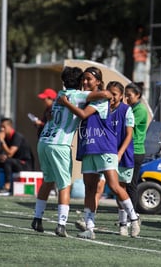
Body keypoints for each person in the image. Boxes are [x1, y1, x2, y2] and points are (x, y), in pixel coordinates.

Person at [60, 66, 140, 240]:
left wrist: (65, 102)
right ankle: (90, 227)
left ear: (98, 81)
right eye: (84, 79)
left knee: (114, 185)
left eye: (89, 79)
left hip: (105, 147)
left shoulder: (100, 99)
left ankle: (133, 218)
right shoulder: (85, 98)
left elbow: (82, 114)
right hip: (88, 148)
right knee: (90, 189)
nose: (86, 82)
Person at [31, 66, 111, 237]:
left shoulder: (60, 94)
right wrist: (106, 91)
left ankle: (37, 218)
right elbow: (105, 95)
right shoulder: (77, 95)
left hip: (44, 141)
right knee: (64, 185)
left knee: (48, 180)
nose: (86, 82)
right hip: (60, 144)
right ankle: (61, 224)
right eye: (84, 79)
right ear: (80, 81)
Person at [107, 81, 135, 236]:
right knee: (114, 188)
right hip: (106, 154)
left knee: (121, 189)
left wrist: (120, 153)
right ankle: (124, 222)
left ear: (122, 96)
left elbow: (129, 134)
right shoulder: (103, 109)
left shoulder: (126, 110)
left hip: (123, 155)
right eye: (109, 93)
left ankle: (126, 222)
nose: (111, 97)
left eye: (114, 94)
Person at [0, 118, 34, 196]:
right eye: (1, 127)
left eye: (4, 127)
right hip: (14, 162)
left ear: (10, 127)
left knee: (8, 161)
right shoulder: (6, 138)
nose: (2, 129)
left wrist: (2, 141)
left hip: (25, 164)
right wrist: (0, 156)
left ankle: (7, 188)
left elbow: (10, 154)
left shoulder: (17, 137)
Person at [125, 82, 148, 211]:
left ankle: (131, 215)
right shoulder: (130, 108)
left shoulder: (140, 110)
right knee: (124, 184)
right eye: (125, 95)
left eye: (129, 95)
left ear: (138, 95)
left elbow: (127, 126)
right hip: (128, 150)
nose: (126, 98)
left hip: (135, 151)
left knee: (131, 185)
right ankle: (126, 214)